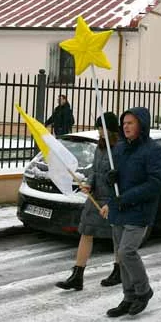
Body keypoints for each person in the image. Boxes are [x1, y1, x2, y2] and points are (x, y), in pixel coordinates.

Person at [102, 107, 161, 318]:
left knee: (126, 252)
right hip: (119, 210)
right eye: (124, 123)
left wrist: (128, 197)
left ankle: (143, 291)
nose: (126, 126)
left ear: (142, 124)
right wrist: (110, 178)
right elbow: (113, 178)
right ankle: (128, 297)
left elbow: (157, 183)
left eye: (131, 123)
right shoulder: (120, 149)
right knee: (121, 257)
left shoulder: (154, 151)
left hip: (139, 211)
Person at [56, 113, 121, 291]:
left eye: (102, 128)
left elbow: (124, 175)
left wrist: (115, 178)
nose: (100, 132)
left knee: (118, 236)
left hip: (113, 200)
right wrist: (89, 184)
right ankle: (77, 275)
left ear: (112, 130)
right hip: (95, 197)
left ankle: (119, 270)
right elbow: (94, 169)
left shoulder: (121, 148)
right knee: (86, 233)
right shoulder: (100, 147)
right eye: (99, 128)